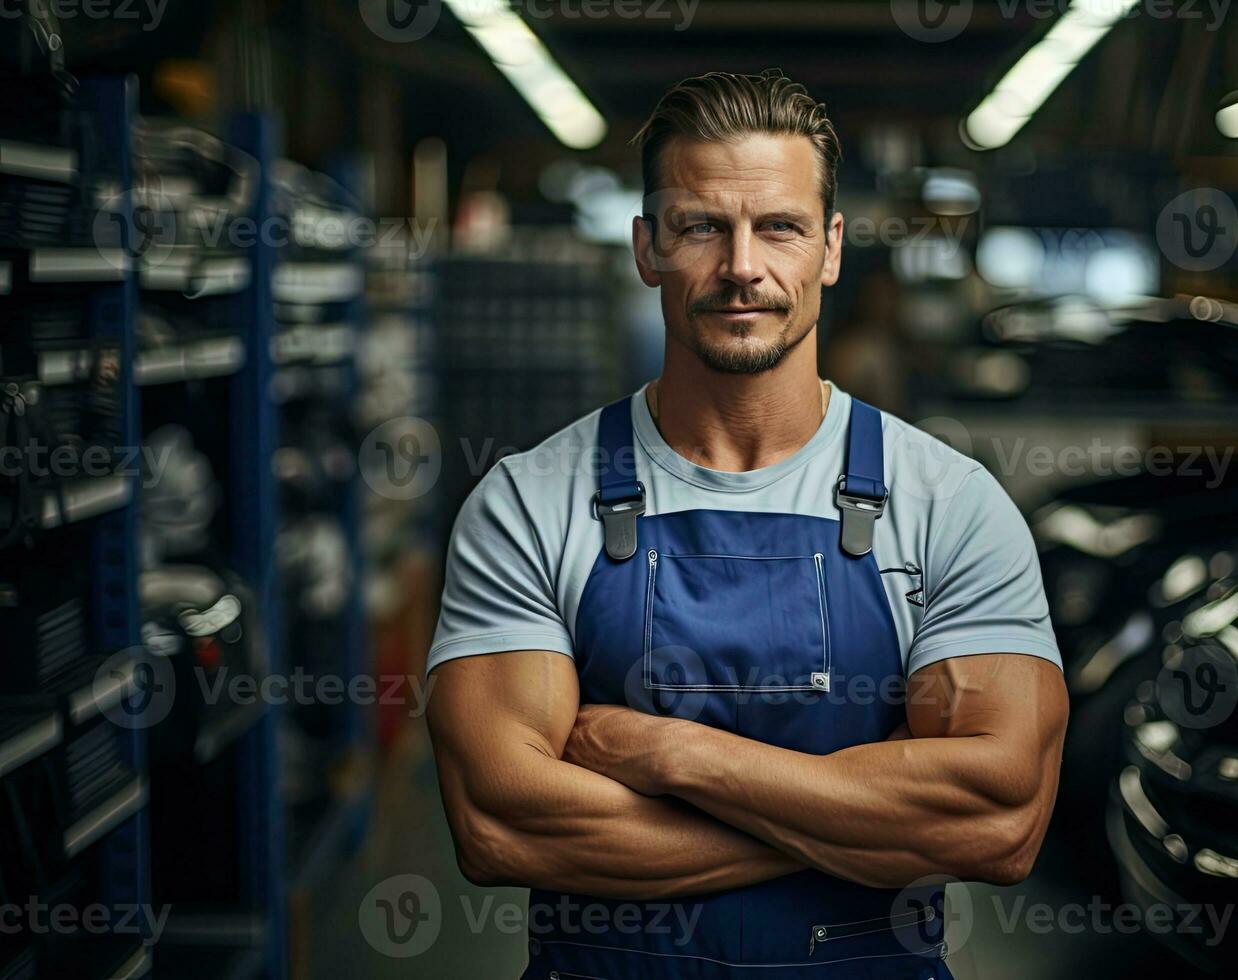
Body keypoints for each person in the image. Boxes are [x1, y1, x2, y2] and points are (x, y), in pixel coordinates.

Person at [425, 69, 1068, 980]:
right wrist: (863, 817)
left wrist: (675, 754)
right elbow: (500, 827)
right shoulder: (528, 502)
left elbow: (997, 825)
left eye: (780, 227)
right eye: (700, 227)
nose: (742, 267)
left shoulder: (952, 505)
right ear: (647, 246)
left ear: (830, 248)